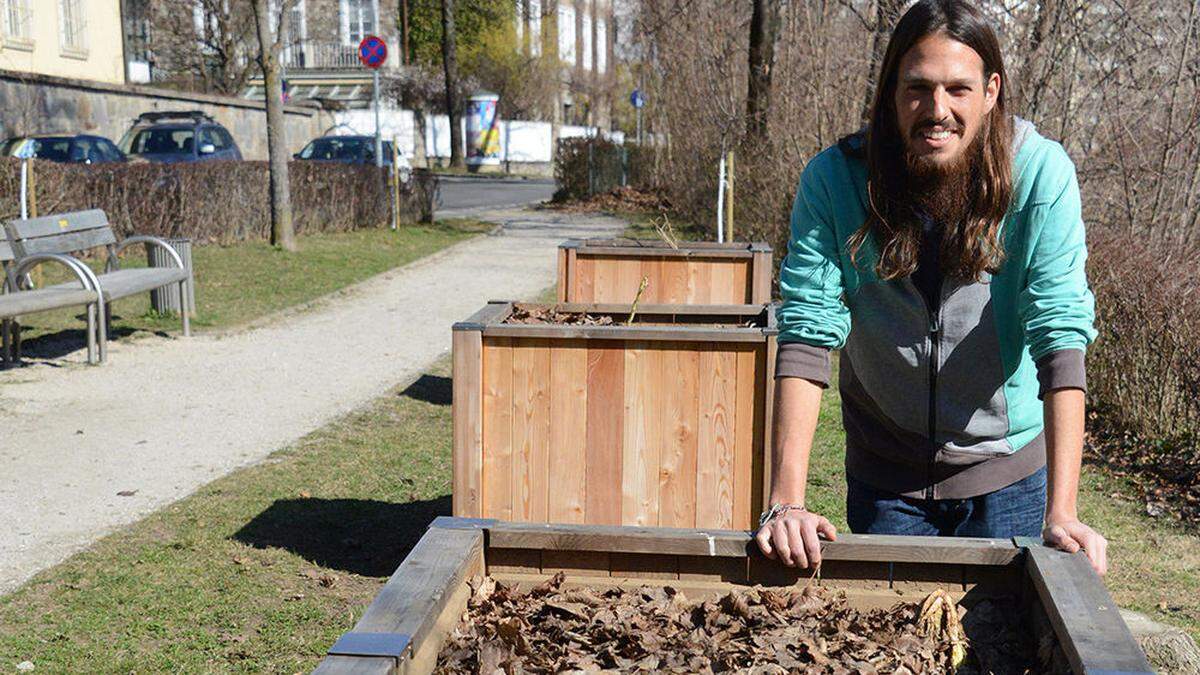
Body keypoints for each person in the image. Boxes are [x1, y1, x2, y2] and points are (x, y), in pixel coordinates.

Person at [755, 0, 1108, 576]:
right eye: (918, 88)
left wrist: (1062, 510)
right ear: (892, 91)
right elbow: (806, 329)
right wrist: (786, 501)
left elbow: (1061, 333)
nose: (936, 110)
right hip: (885, 475)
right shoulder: (836, 179)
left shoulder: (1041, 174)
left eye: (958, 89)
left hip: (1009, 471)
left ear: (991, 91)